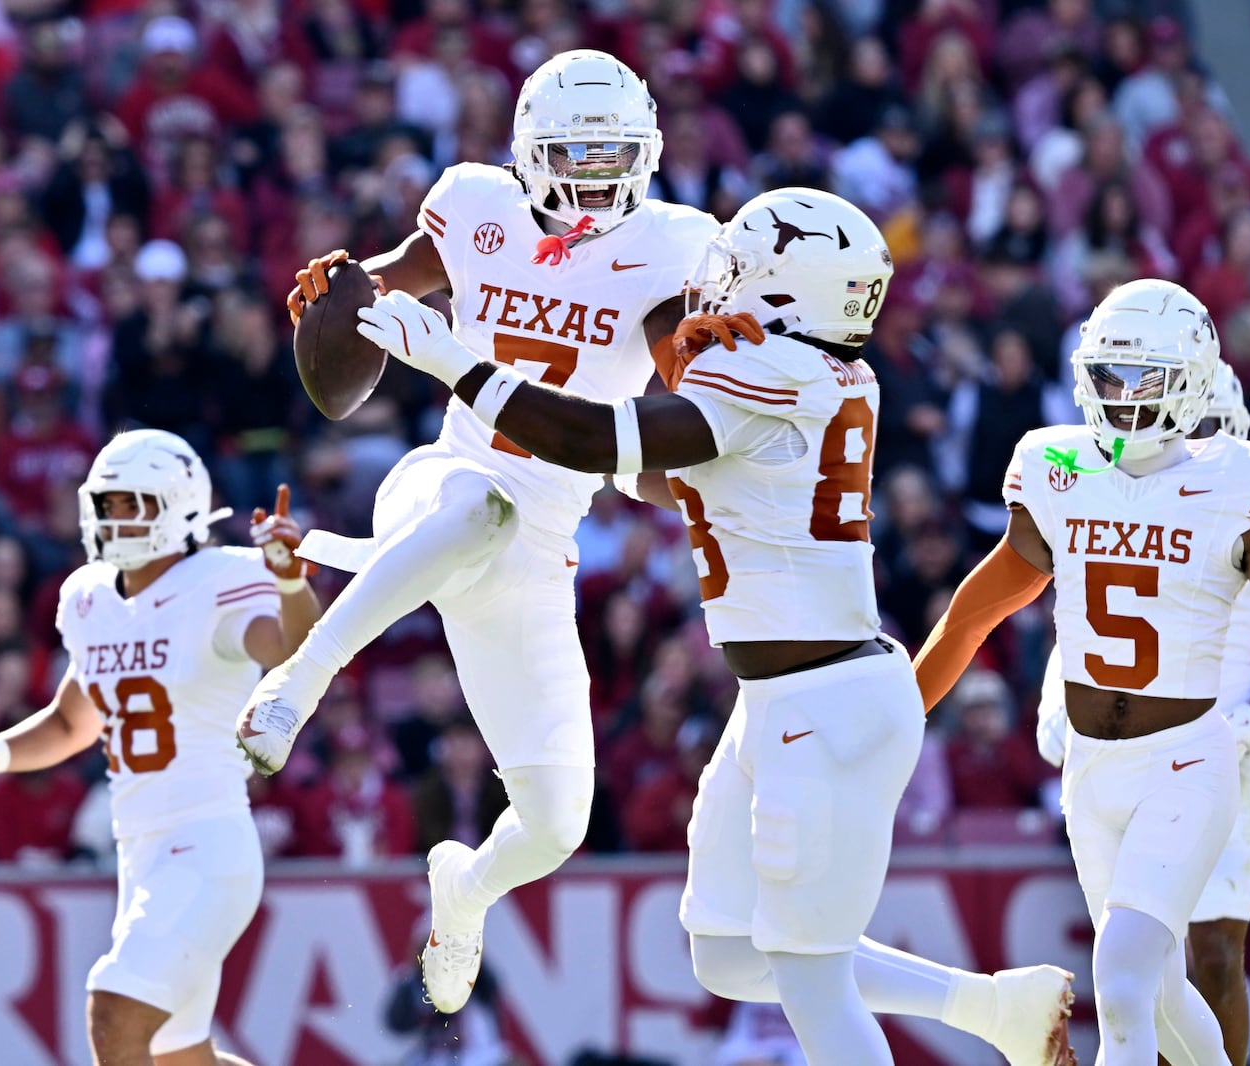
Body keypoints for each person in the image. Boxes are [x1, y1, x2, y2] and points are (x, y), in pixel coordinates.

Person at [356, 187, 1075, 1066]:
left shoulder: (763, 376)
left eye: (739, 269)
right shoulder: (827, 370)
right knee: (730, 954)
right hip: (790, 697)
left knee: (810, 981)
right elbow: (666, 465)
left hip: (820, 699)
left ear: (781, 289)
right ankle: (993, 1009)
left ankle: (993, 1013)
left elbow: (594, 439)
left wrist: (460, 368)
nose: (716, 285)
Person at [239, 49, 720, 1014]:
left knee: (555, 825)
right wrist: (338, 296)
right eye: (575, 152)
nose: (594, 173)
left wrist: (712, 435)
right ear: (530, 151)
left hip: (545, 545)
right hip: (446, 479)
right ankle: (298, 683)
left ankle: (461, 892)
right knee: (477, 508)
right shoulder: (473, 203)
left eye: (612, 152)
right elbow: (372, 299)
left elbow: (677, 425)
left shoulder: (674, 248)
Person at [912, 278, 1250, 1066]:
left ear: (1197, 380)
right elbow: (978, 611)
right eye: (1111, 376)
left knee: (1130, 982)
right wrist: (909, 711)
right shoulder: (1057, 463)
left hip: (1189, 760)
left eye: (1148, 379)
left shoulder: (1241, 479)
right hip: (1093, 773)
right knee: (1161, 991)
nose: (1125, 398)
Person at [0, 428, 322, 1066]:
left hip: (205, 844)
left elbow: (292, 651)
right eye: (107, 503)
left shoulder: (218, 580)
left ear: (179, 506)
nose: (113, 518)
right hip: (141, 853)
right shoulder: (90, 599)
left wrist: (289, 586)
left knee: (113, 1015)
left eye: (131, 503)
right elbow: (71, 722)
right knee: (180, 1058)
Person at [1033, 358, 1250, 1063]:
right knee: (1140, 959)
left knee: (1215, 952)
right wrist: (1054, 694)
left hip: (1220, 746)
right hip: (1129, 752)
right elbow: (1082, 613)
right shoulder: (1117, 492)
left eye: (1212, 429)